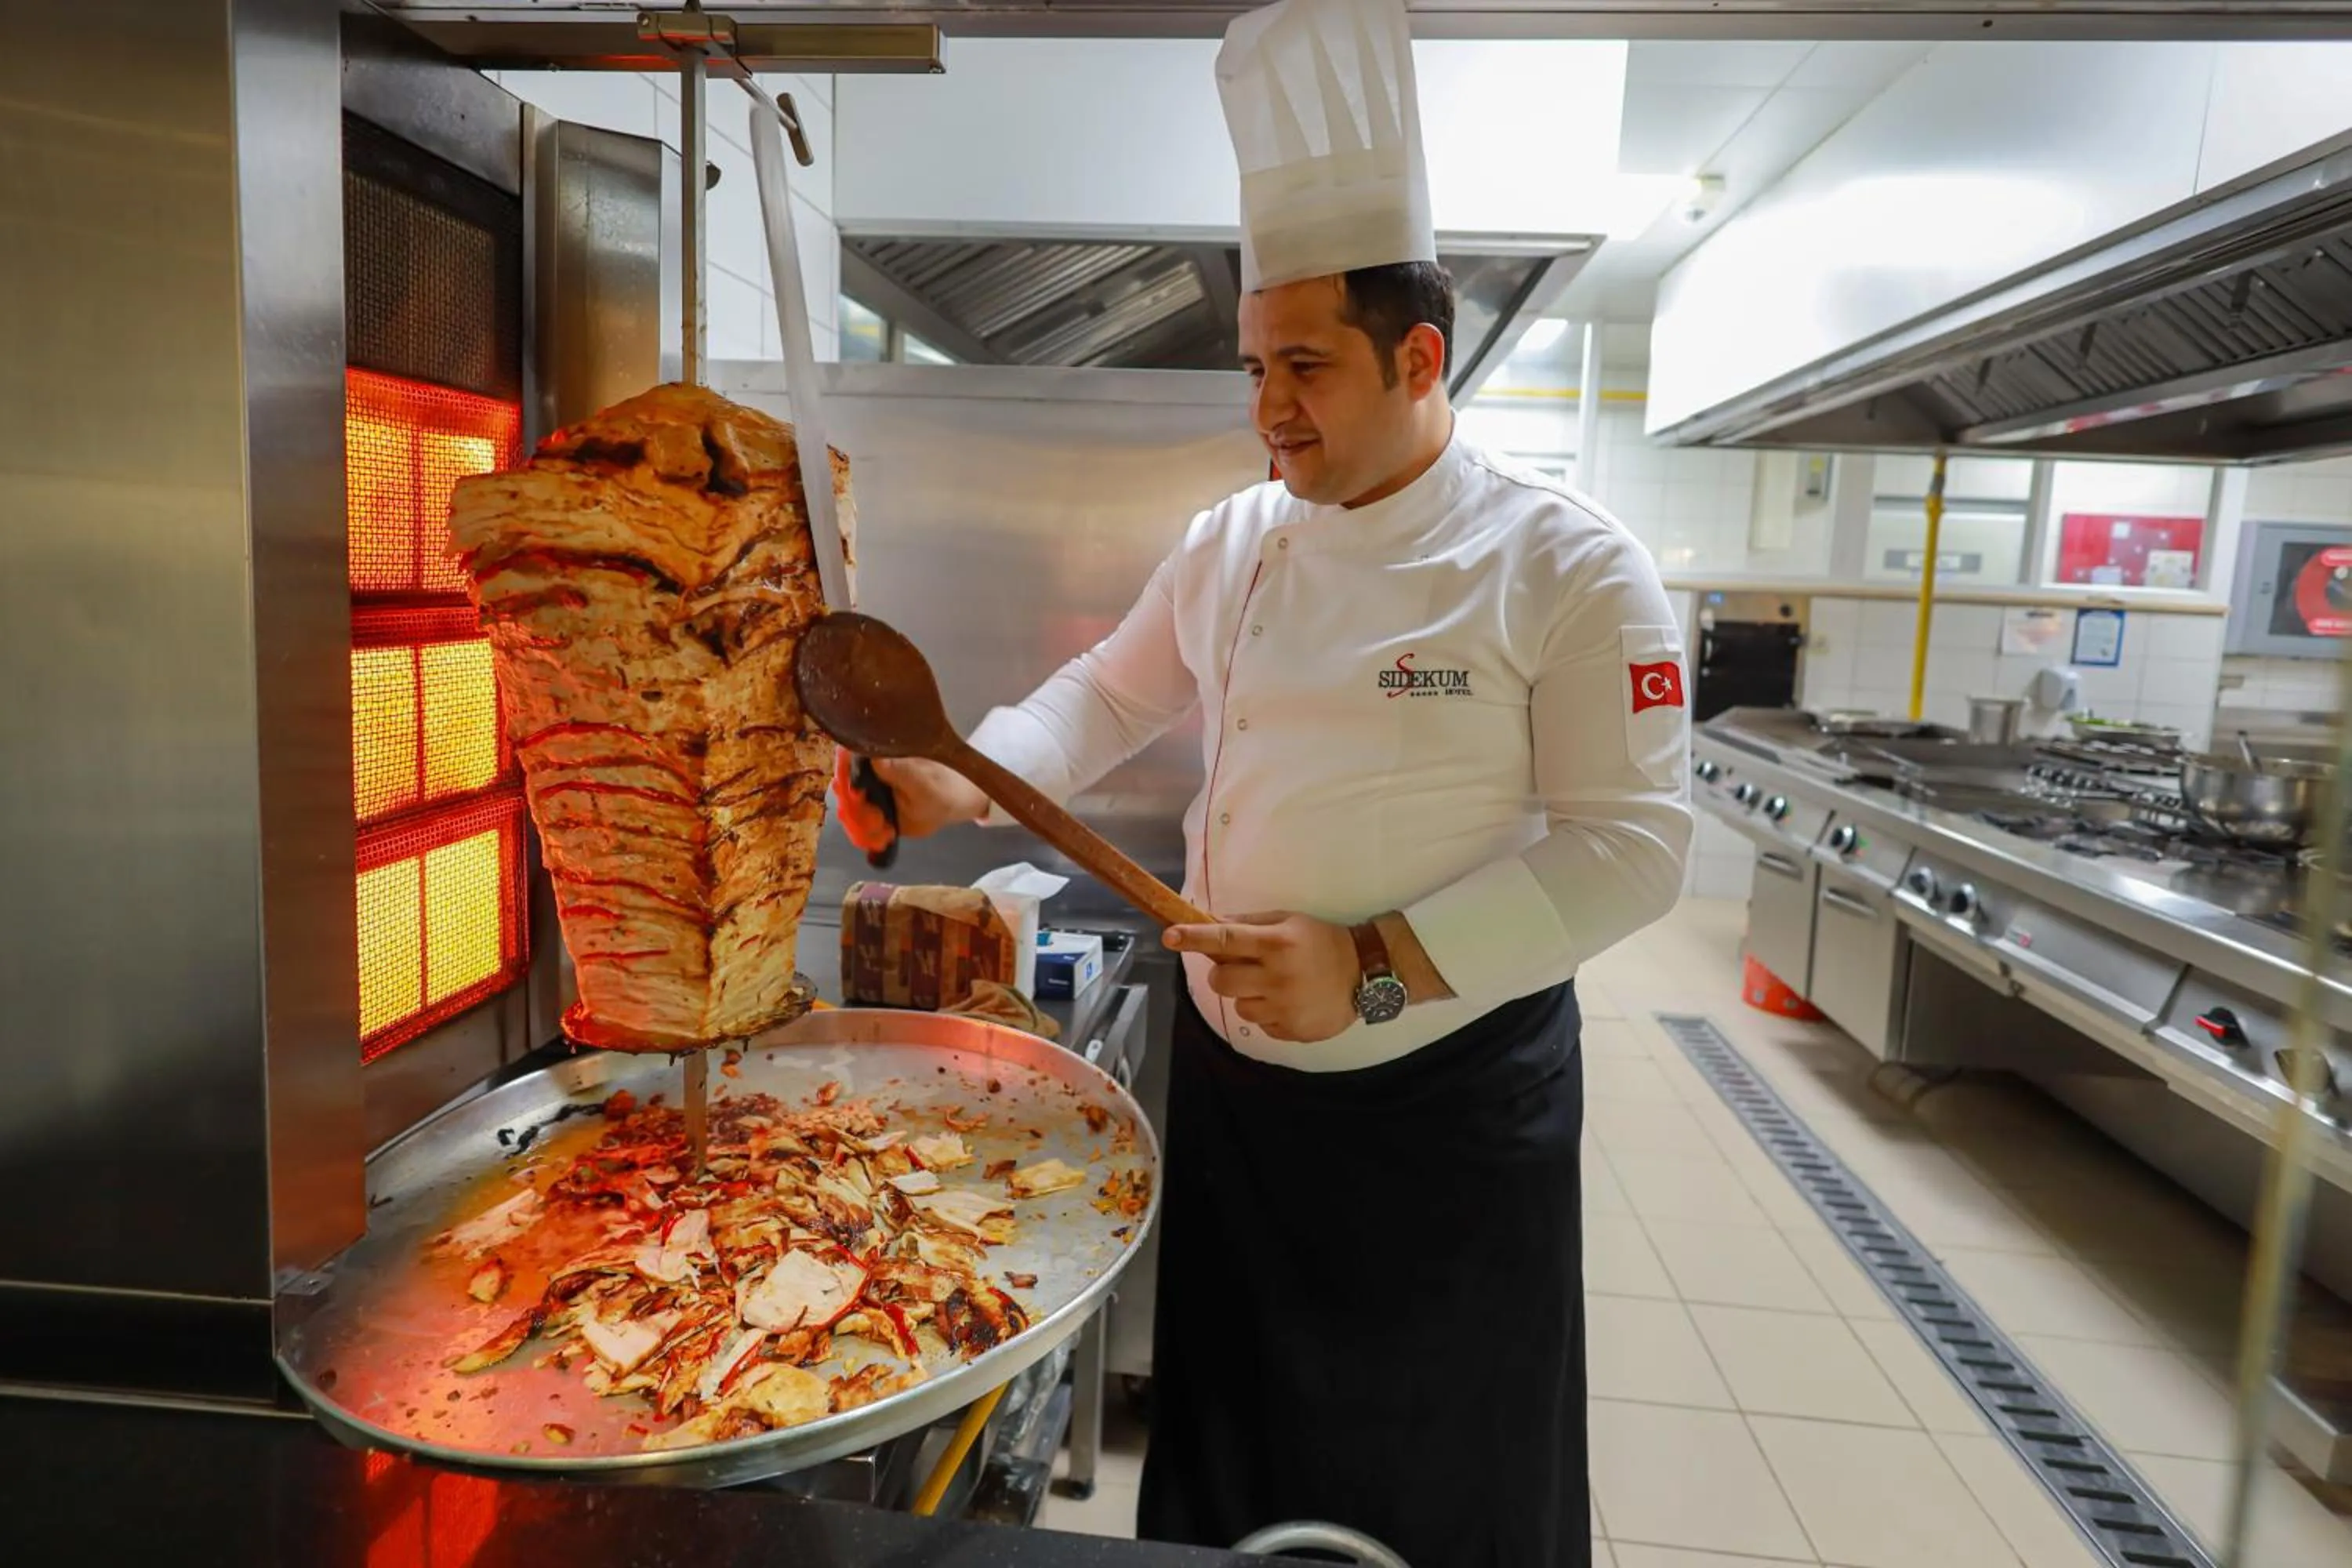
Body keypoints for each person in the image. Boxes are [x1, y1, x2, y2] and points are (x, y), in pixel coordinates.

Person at [831, 5, 1691, 1564]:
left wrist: (1375, 967)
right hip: (1239, 1117)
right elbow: (1109, 692)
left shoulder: (1567, 565)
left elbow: (1632, 853)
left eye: (1305, 366)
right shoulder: (1236, 537)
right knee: (1232, 1494)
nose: (1268, 406)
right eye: (1253, 364)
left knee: (1436, 1503)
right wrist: (973, 775)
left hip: (1445, 1123)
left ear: (1418, 356)